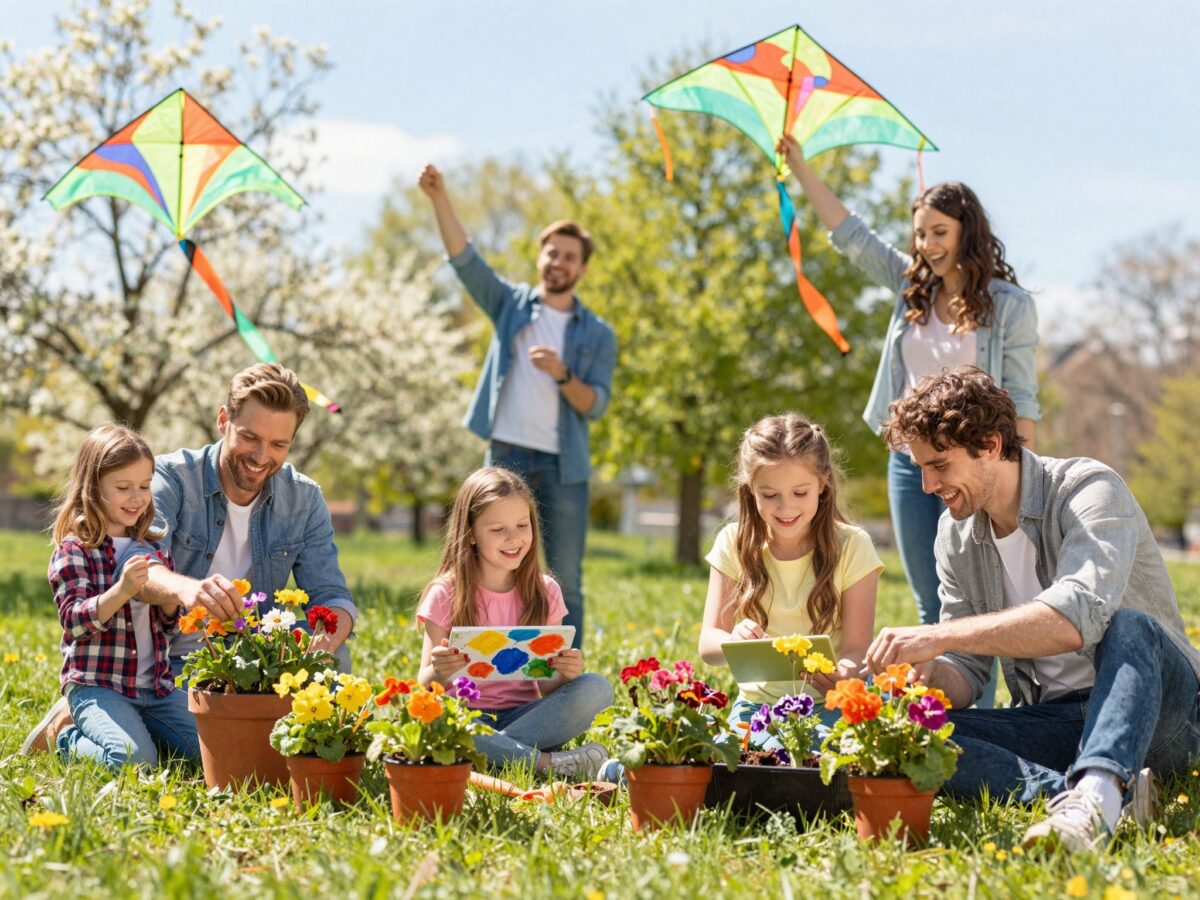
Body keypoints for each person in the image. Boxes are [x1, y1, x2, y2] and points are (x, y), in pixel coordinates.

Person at [865, 367, 1200, 852]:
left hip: (1163, 717)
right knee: (912, 736)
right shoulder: (955, 537)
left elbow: (1074, 620)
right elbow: (967, 669)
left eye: (939, 465)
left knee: (1131, 627)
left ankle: (1095, 795)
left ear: (992, 445)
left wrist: (941, 637)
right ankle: (1090, 801)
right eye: (919, 467)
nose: (926, 485)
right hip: (1058, 721)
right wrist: (925, 675)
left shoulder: (1088, 490)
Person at [778, 136, 1039, 706]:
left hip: (979, 466)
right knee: (935, 597)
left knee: (993, 589)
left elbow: (1021, 398)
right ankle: (948, 711)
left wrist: (1021, 477)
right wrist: (799, 166)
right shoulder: (911, 290)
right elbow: (852, 235)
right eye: (921, 234)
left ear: (967, 232)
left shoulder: (1008, 305)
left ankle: (1005, 707)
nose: (927, 245)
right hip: (910, 463)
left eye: (939, 232)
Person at [23, 363, 357, 754]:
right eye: (249, 437)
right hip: (172, 661)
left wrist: (324, 643)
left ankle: (125, 716)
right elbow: (138, 566)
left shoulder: (304, 498)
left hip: (253, 654)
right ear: (223, 420)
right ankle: (98, 711)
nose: (261, 456)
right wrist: (190, 591)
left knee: (338, 657)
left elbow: (332, 595)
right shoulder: (170, 478)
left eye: (278, 445)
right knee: (225, 759)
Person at [418, 164, 617, 649]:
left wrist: (562, 374)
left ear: (582, 268)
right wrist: (440, 197)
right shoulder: (511, 305)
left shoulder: (597, 334)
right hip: (505, 456)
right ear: (540, 257)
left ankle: (565, 673)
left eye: (570, 256)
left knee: (565, 575)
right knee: (482, 565)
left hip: (561, 465)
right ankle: (472, 660)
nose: (559, 261)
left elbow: (595, 405)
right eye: (552, 251)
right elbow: (466, 261)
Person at [698, 413, 883, 749]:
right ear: (750, 489)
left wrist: (842, 674)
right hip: (757, 708)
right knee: (729, 759)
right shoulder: (733, 542)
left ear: (823, 482)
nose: (786, 508)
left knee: (823, 761)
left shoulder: (854, 546)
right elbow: (708, 644)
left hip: (828, 705)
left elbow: (858, 650)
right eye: (770, 495)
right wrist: (732, 640)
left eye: (800, 492)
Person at [416, 466, 613, 780]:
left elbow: (547, 686)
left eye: (523, 525)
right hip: (465, 716)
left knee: (597, 689)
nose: (514, 538)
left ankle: (493, 754)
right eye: (497, 530)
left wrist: (563, 673)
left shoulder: (545, 591)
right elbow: (424, 686)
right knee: (436, 717)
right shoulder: (446, 593)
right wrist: (439, 670)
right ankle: (545, 764)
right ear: (470, 534)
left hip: (528, 718)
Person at [40, 424, 199, 770]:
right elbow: (75, 622)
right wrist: (122, 591)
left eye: (144, 486)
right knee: (133, 763)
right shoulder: (75, 550)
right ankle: (66, 737)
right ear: (93, 489)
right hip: (98, 687)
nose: (137, 497)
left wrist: (172, 600)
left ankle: (138, 730)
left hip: (154, 689)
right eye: (123, 487)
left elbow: (168, 626)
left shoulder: (154, 546)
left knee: (209, 753)